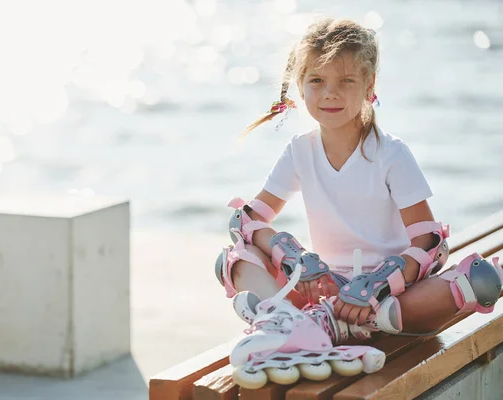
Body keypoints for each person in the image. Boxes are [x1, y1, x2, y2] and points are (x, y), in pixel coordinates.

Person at [215, 17, 502, 347]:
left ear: (369, 85)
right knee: (234, 258)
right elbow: (248, 220)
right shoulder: (299, 150)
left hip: (392, 292)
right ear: (301, 86)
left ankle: (330, 323)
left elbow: (430, 242)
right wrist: (294, 256)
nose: (330, 93)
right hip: (325, 286)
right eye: (317, 80)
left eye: (346, 80)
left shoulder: (391, 154)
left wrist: (377, 285)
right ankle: (294, 319)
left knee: (481, 280)